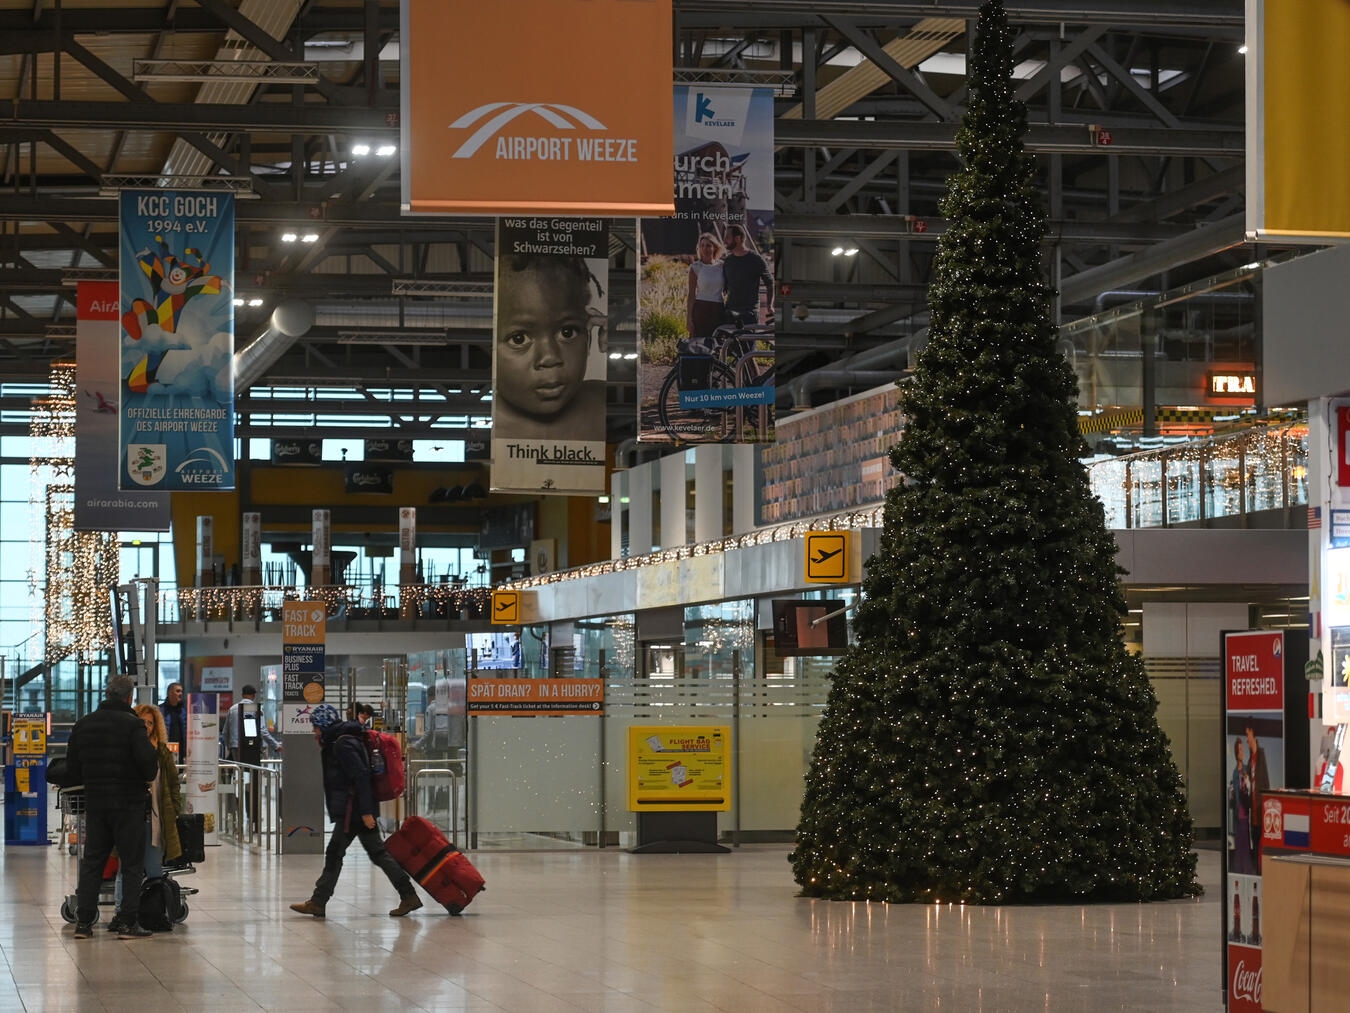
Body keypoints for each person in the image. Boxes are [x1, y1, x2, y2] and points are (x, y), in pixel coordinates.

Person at [289, 703, 422, 919]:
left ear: (324, 725)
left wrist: (367, 812)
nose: (314, 731)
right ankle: (408, 895)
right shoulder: (340, 740)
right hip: (356, 809)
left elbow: (361, 776)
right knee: (374, 854)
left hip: (355, 810)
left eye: (316, 727)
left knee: (339, 853)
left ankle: (318, 902)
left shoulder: (342, 744)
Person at [64, 674, 159, 939]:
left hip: (96, 804)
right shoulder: (134, 726)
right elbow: (149, 767)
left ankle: (84, 923)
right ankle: (127, 923)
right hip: (128, 805)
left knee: (93, 862)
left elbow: (72, 770)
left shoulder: (83, 725)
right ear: (129, 698)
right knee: (131, 864)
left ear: (107, 694)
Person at [493, 254, 607, 441]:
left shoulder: (601, 400)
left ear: (589, 334)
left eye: (567, 332)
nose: (549, 357)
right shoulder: (491, 428)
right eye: (519, 339)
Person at [113, 704, 184, 932]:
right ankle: (121, 912)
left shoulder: (162, 752)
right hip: (130, 815)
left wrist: (174, 809)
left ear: (156, 727)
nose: (146, 726)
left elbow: (172, 783)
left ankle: (153, 911)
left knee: (154, 867)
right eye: (142, 721)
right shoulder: (125, 748)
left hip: (155, 817)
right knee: (125, 867)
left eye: (150, 723)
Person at [720, 224, 774, 326]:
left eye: (727, 237)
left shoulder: (756, 259)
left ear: (738, 238)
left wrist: (769, 306)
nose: (724, 241)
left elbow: (770, 283)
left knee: (748, 336)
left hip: (749, 312)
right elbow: (725, 288)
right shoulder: (728, 261)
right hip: (730, 312)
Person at [222, 684, 282, 760]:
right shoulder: (256, 709)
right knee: (250, 767)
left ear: (242, 695)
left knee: (239, 767)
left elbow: (225, 732)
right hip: (252, 746)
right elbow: (262, 730)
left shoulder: (232, 709)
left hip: (235, 746)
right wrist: (276, 745)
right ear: (253, 696)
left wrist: (230, 746)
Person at [686, 232, 725, 338]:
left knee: (717, 343)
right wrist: (689, 319)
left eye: (708, 245)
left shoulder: (722, 266)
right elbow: (691, 295)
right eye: (702, 245)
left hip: (718, 310)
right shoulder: (695, 267)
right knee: (699, 342)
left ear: (714, 247)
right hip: (701, 310)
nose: (705, 248)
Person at [1229, 738, 1254, 875]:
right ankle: (1239, 871)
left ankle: (1246, 871)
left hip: (1245, 812)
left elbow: (1249, 789)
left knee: (1245, 844)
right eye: (1239, 750)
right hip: (1238, 813)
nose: (1241, 752)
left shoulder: (1246, 769)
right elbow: (1235, 794)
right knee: (1240, 844)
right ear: (1236, 753)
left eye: (1242, 749)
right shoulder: (1235, 772)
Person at [159, 681, 187, 760]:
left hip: (182, 752)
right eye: (178, 691)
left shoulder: (185, 711)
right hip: (165, 750)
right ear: (170, 693)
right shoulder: (160, 711)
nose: (180, 694)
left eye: (181, 691)